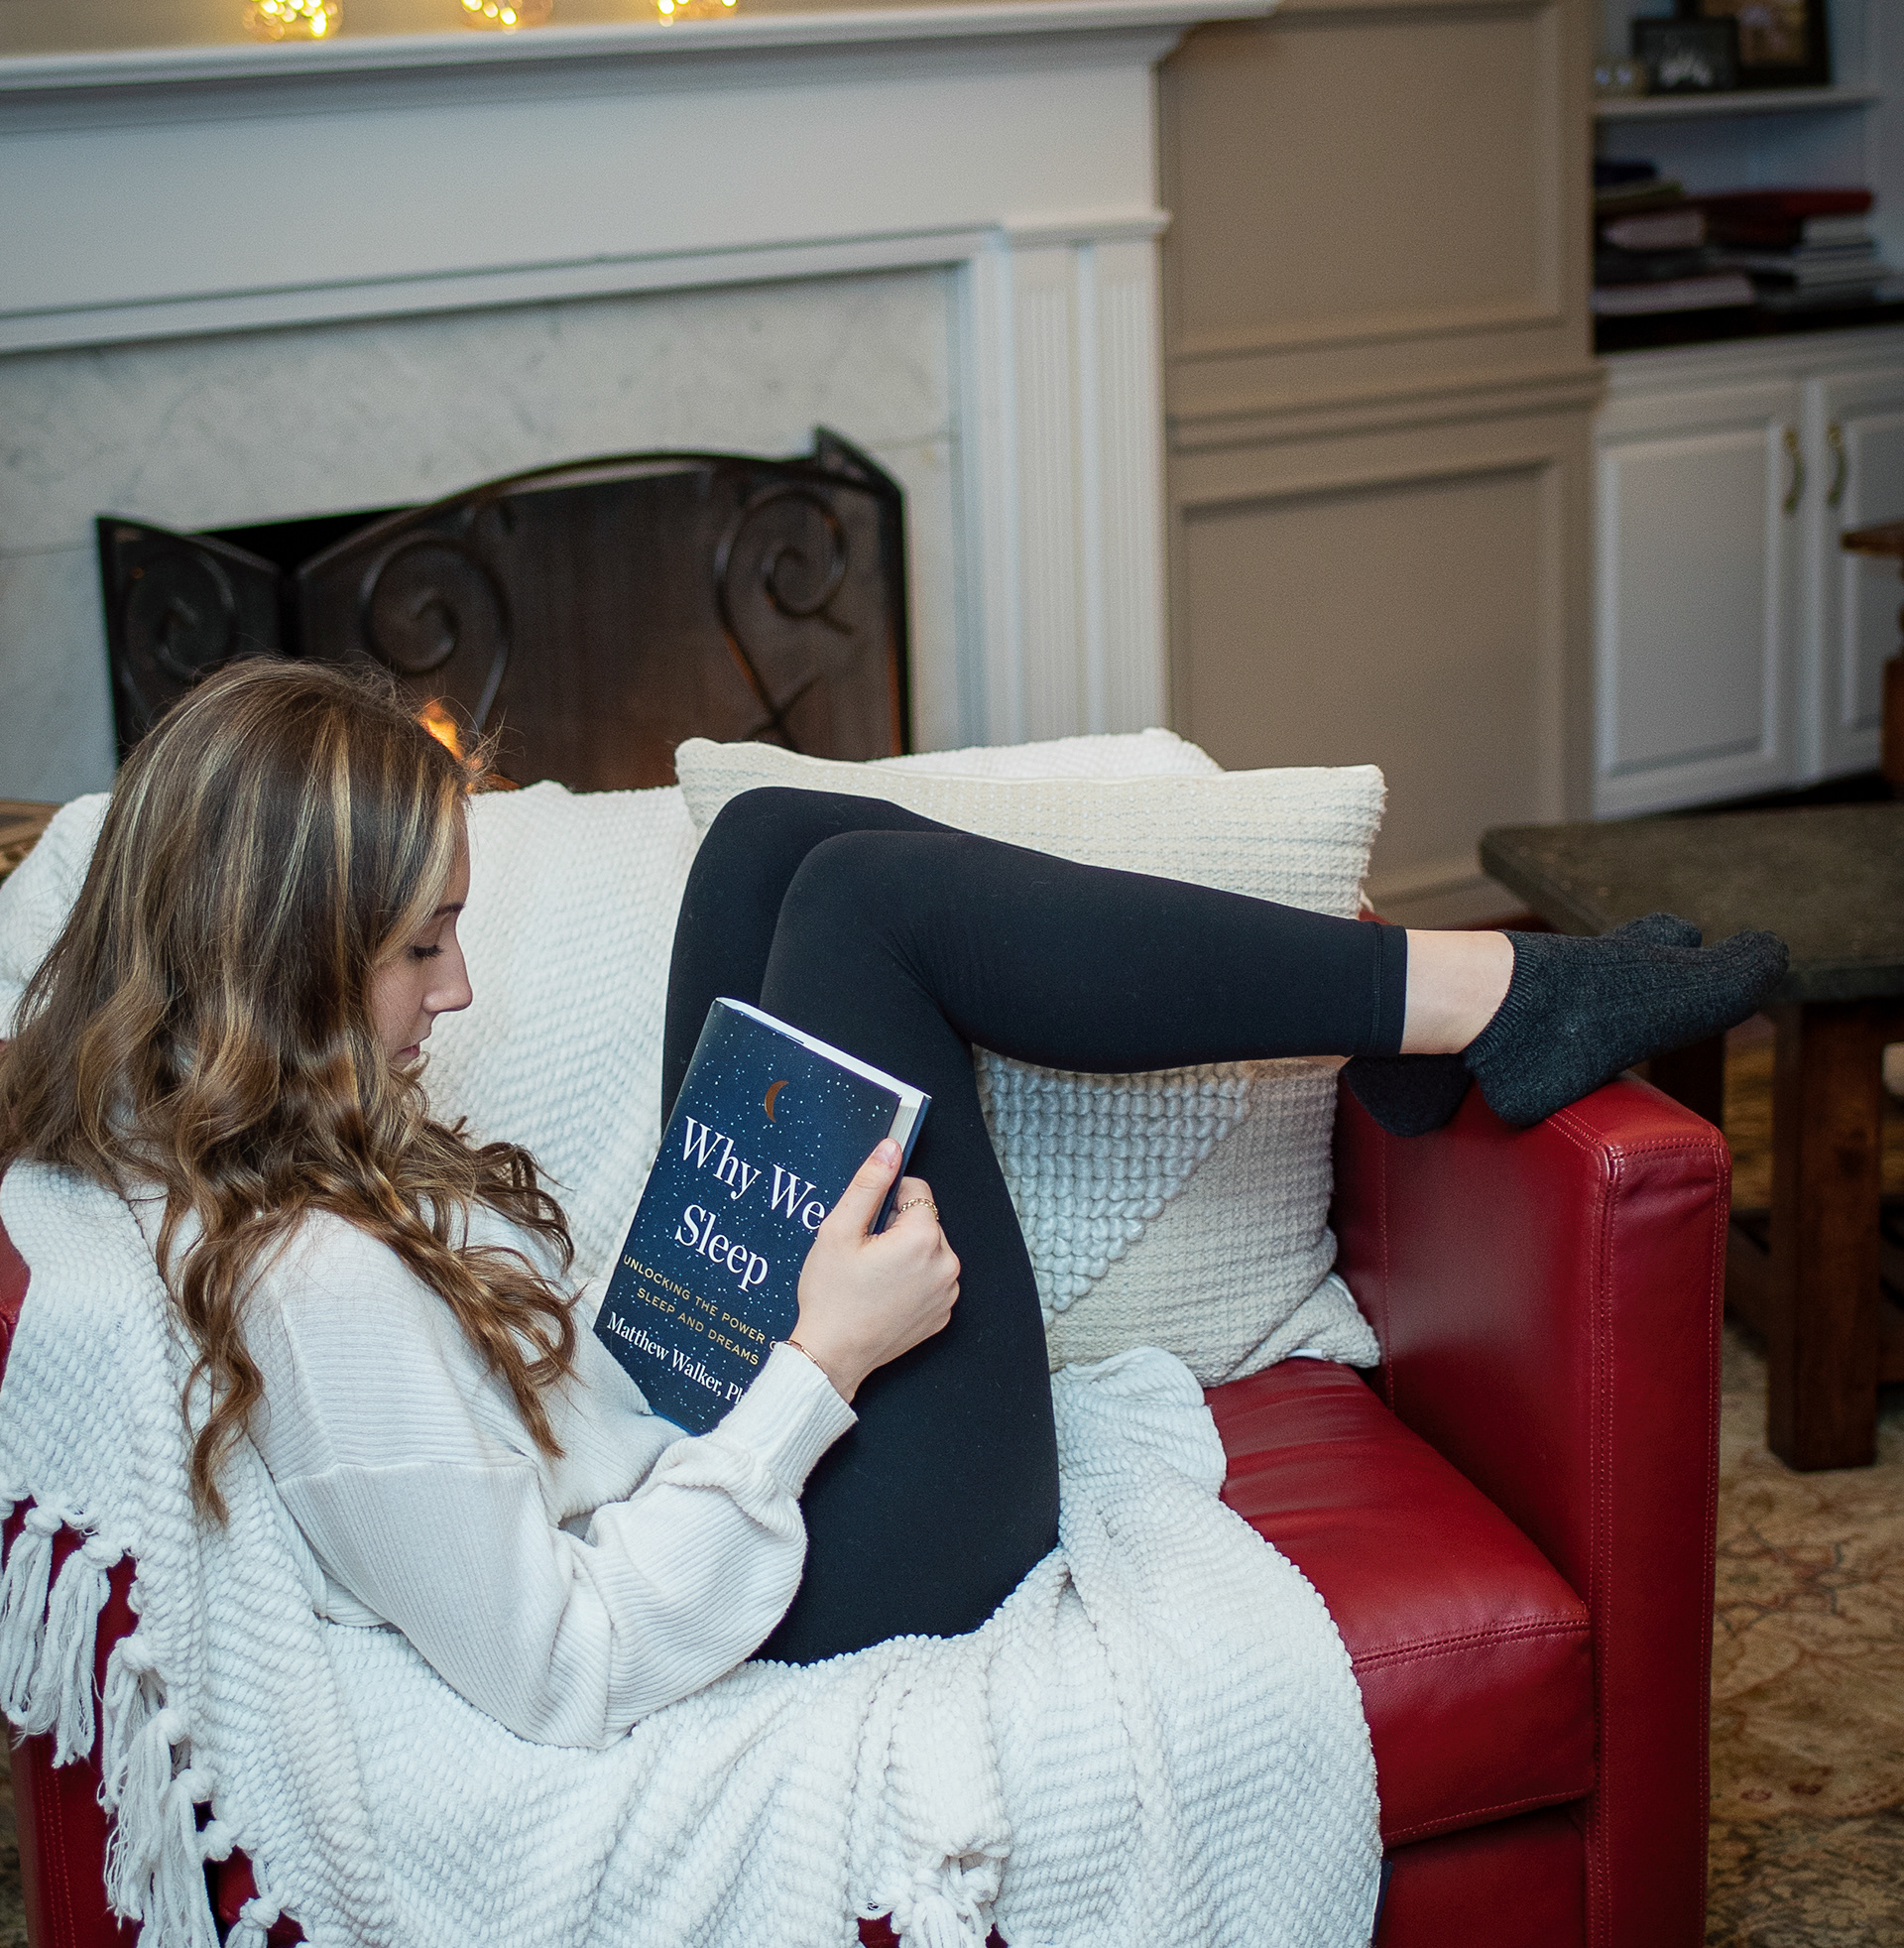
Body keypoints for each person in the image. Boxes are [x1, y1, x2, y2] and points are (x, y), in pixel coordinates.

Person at [0, 660, 1785, 1747]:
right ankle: (1485, 1002)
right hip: (819, 1568)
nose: (459, 992)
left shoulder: (218, 1131)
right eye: (418, 945)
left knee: (774, 841)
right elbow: (565, 1663)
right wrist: (822, 1365)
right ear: (279, 958)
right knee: (864, 914)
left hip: (687, 1432)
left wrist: (723, 1324)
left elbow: (554, 1440)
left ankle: (1435, 1018)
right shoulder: (314, 1294)